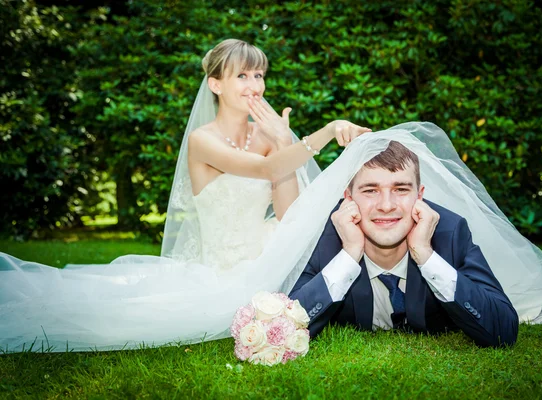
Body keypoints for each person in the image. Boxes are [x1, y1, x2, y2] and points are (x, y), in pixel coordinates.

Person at [0, 39, 370, 353]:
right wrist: (327, 132)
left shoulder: (269, 135)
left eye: (259, 75)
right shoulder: (202, 140)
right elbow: (264, 170)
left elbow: (289, 214)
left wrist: (281, 142)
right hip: (223, 271)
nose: (254, 84)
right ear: (215, 84)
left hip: (268, 258)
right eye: (241, 75)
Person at [289, 141, 519, 347]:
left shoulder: (450, 232)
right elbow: (283, 328)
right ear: (348, 198)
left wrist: (426, 255)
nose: (387, 205)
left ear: (419, 196)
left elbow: (504, 330)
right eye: (370, 190)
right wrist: (349, 255)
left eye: (400, 189)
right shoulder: (324, 237)